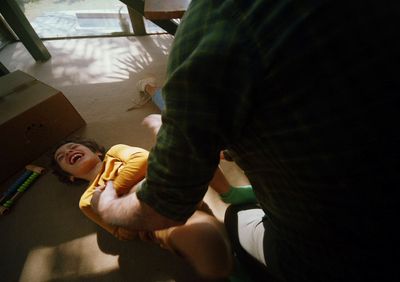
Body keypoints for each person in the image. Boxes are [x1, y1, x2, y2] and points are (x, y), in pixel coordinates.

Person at [91, 1, 399, 282]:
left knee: (227, 222)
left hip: (342, 256)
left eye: (73, 148)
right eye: (65, 155)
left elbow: (161, 206)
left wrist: (108, 206)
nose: (71, 151)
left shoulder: (218, 21)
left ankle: (241, 241)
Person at [51, 139, 234, 279]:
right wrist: (128, 207)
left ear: (98, 153)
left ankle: (227, 191)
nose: (69, 151)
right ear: (70, 177)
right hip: (151, 218)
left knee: (184, 147)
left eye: (73, 146)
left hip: (167, 182)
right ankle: (227, 266)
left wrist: (110, 197)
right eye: (61, 157)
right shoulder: (87, 200)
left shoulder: (114, 154)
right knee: (194, 233)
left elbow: (143, 159)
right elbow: (121, 233)